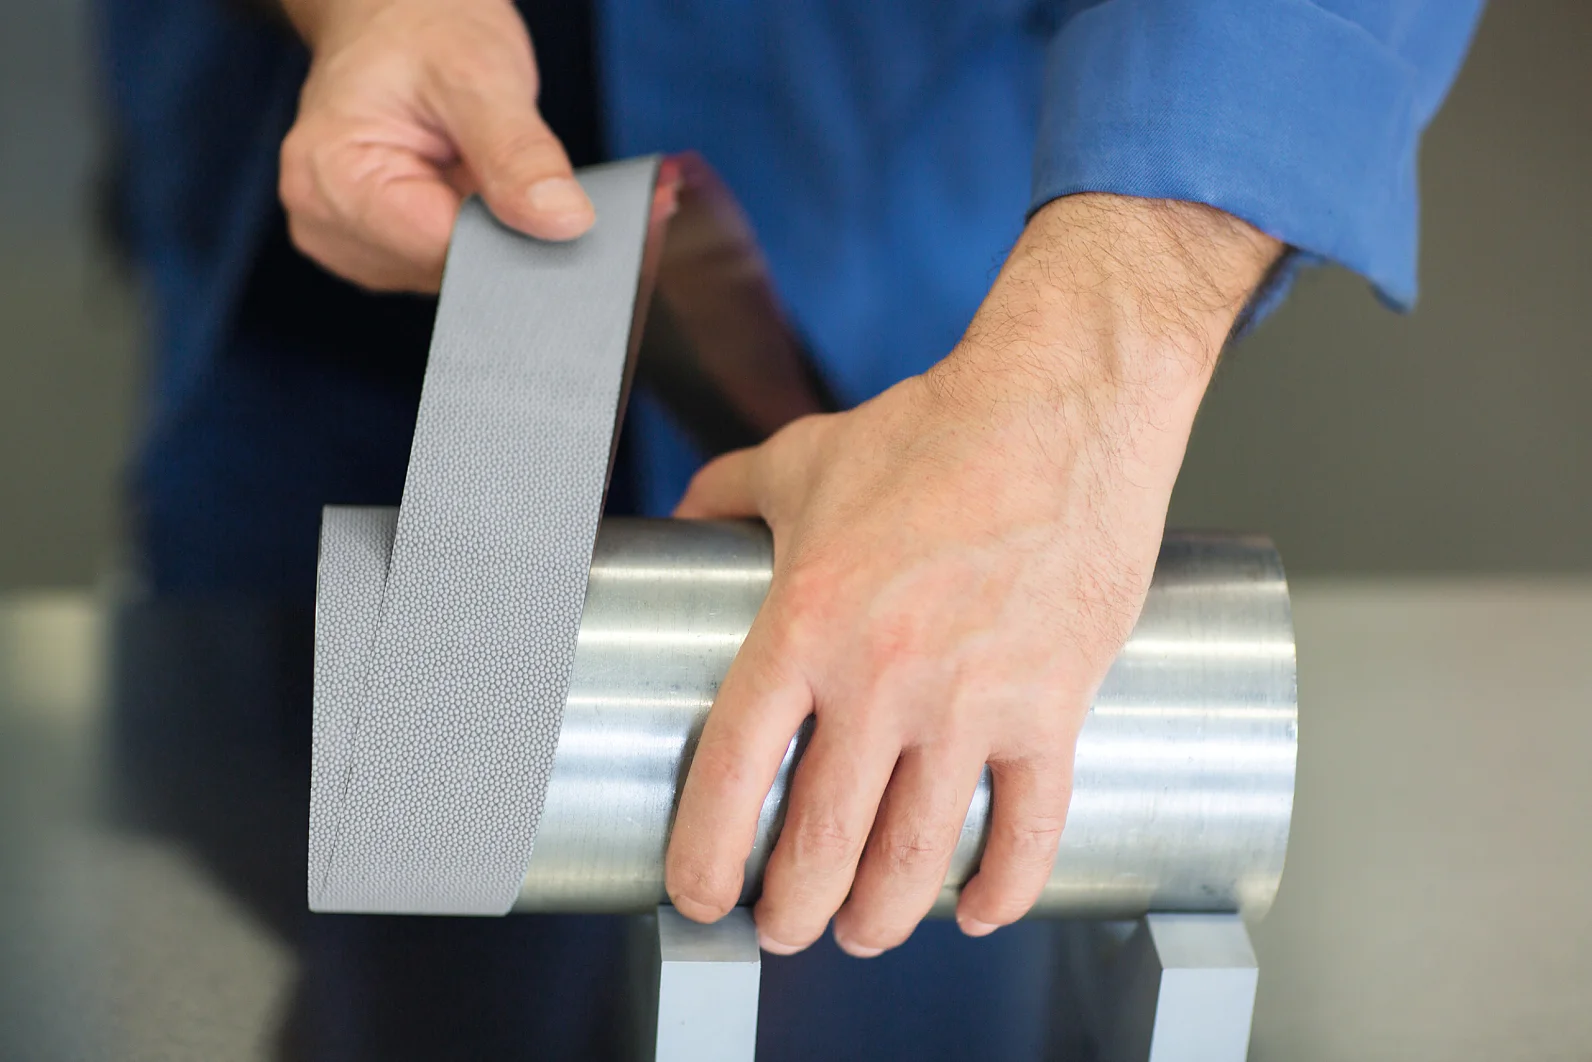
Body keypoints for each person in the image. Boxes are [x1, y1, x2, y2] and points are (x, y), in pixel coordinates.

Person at [97, 0, 1484, 1057]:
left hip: (919, 305)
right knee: (379, 945)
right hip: (356, 254)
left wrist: (1095, 361)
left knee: (891, 921)